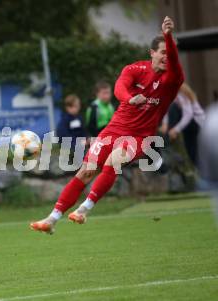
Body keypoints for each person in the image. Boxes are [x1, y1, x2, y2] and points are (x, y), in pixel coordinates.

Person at [30, 16, 184, 234]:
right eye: (163, 53)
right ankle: (52, 219)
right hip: (112, 131)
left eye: (171, 54)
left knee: (114, 161)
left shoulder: (173, 79)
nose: (167, 58)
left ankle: (84, 209)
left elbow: (175, 64)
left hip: (140, 137)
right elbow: (119, 87)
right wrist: (130, 98)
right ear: (151, 53)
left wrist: (168, 36)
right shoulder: (135, 69)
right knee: (85, 171)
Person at [161, 83, 206, 165]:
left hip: (196, 124)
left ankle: (166, 144)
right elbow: (166, 109)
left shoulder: (182, 93)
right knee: (192, 152)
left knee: (174, 108)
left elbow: (188, 115)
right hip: (187, 126)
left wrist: (175, 130)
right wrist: (165, 123)